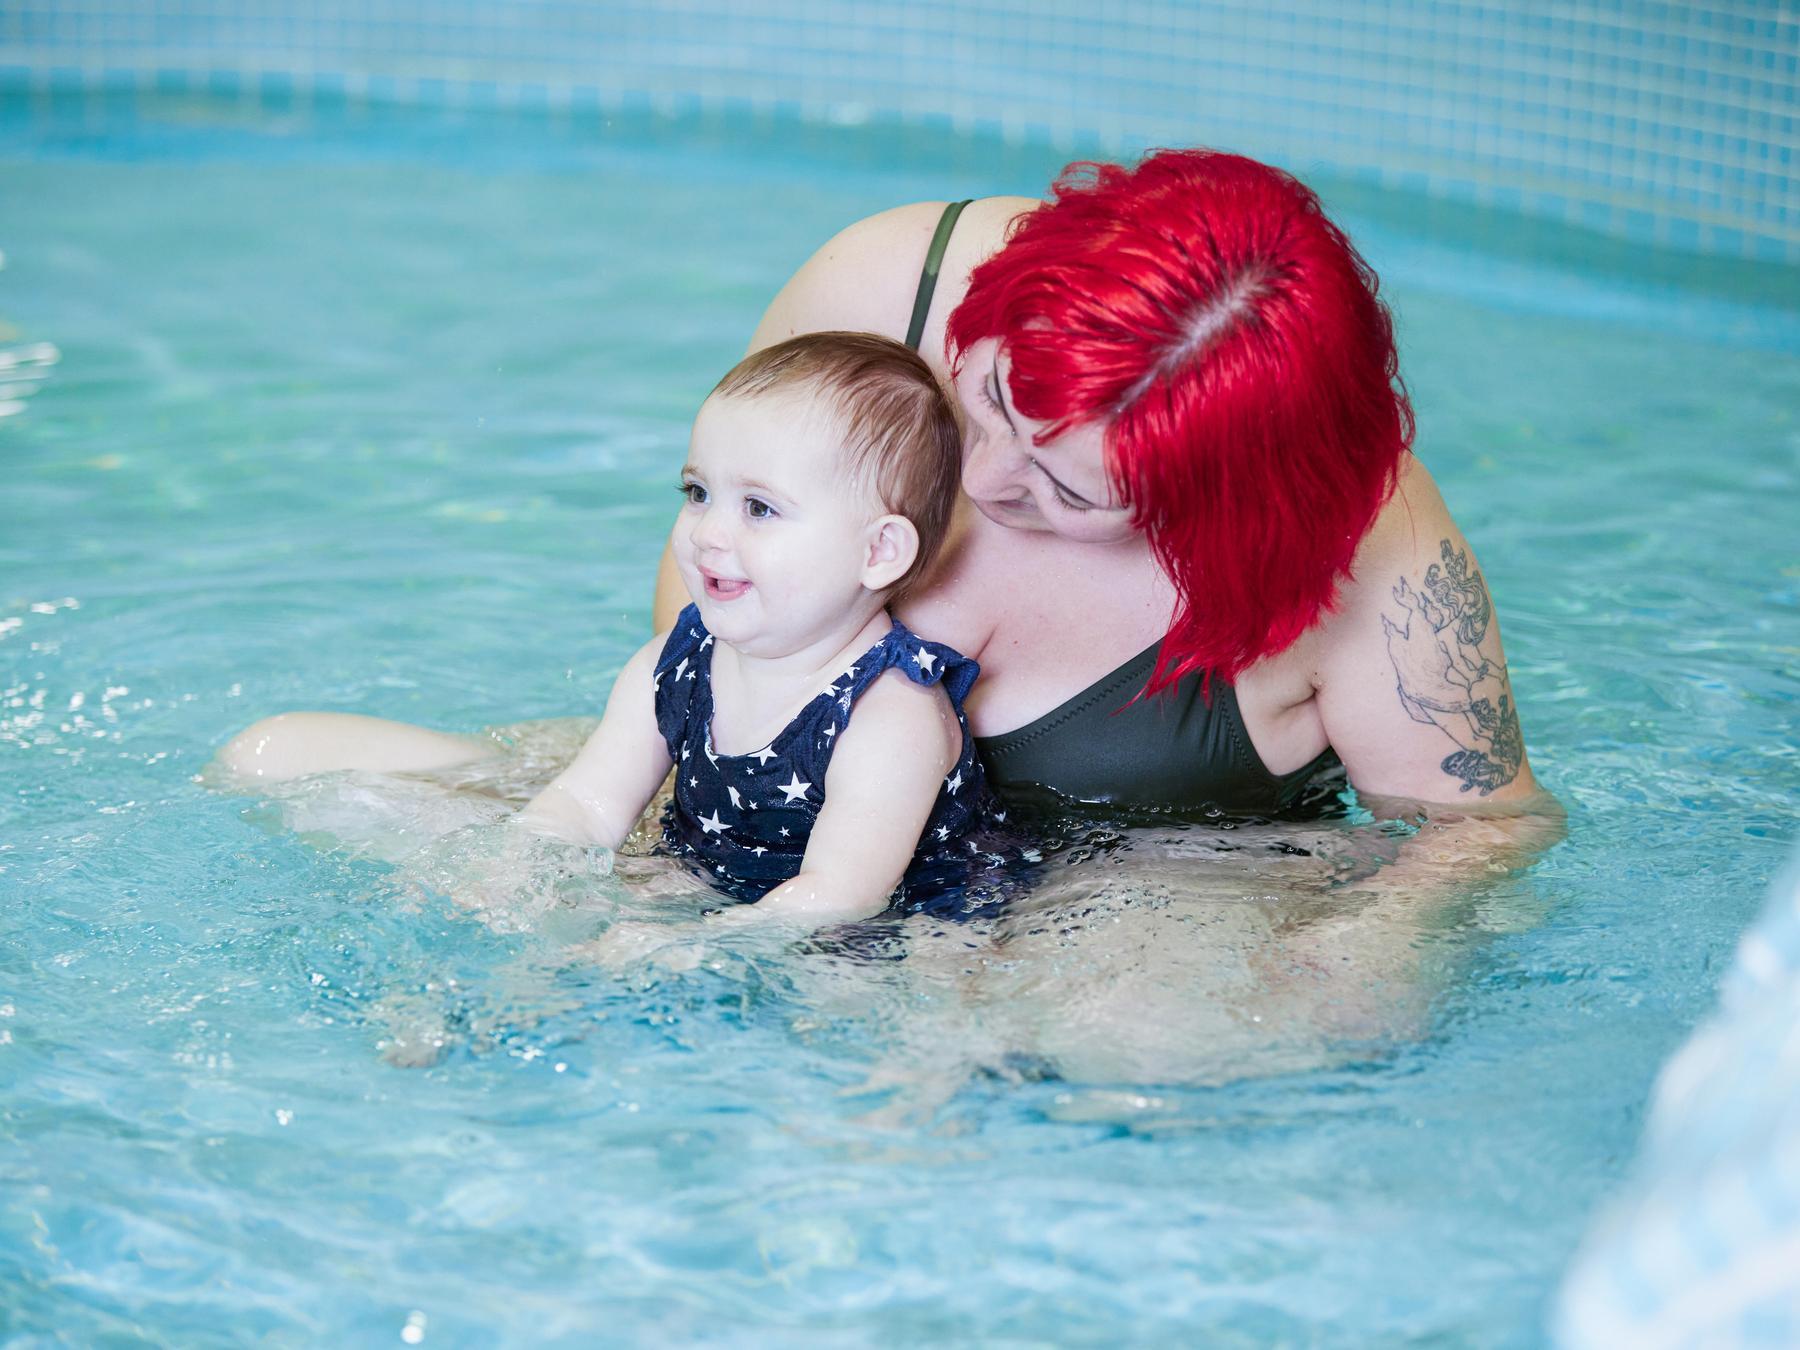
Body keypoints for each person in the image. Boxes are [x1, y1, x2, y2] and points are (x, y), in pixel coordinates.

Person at [220, 332, 991, 928]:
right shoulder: (676, 663)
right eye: (697, 492)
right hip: (706, 887)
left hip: (886, 936)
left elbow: (839, 897)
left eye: (759, 508)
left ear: (878, 552)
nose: (706, 533)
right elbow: (587, 808)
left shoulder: (889, 714)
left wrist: (691, 945)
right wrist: (508, 871)